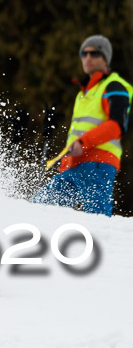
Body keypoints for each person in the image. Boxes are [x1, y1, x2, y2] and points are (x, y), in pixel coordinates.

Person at [31, 35, 132, 216]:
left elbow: (117, 125)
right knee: (37, 209)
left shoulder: (114, 86)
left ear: (105, 57)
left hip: (98, 165)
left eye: (94, 53)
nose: (88, 58)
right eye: (84, 54)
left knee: (98, 220)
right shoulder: (84, 93)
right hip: (75, 165)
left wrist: (83, 143)